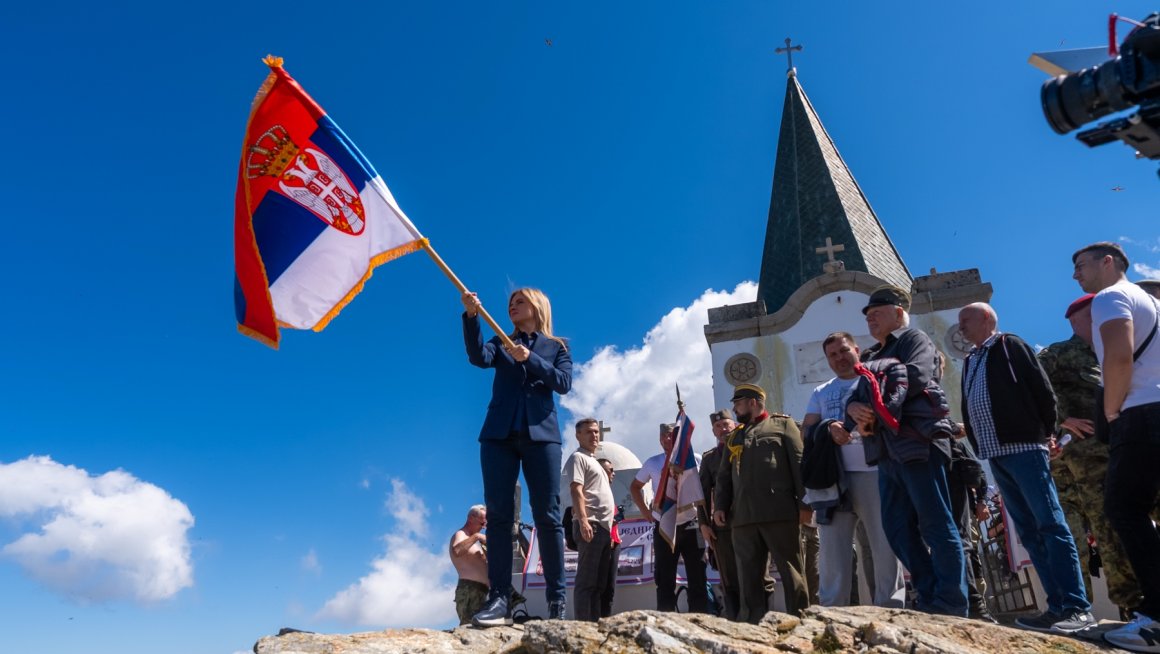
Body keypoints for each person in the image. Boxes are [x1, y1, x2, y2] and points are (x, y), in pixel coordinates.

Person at [958, 302, 1094, 633]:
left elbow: (1042, 390)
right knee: (1030, 532)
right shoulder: (970, 360)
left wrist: (1047, 433)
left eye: (966, 320)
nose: (960, 327)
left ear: (987, 319)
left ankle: (1076, 606)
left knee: (1050, 524)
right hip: (995, 453)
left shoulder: (1009, 345)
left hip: (1024, 448)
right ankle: (1057, 606)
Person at [848, 285, 967, 616]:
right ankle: (930, 594)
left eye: (877, 313)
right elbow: (854, 396)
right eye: (868, 316)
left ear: (898, 313)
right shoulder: (869, 356)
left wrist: (869, 398)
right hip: (886, 453)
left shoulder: (914, 341)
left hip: (918, 443)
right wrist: (854, 411)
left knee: (936, 524)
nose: (871, 319)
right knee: (897, 529)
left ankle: (952, 602)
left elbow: (914, 376)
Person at [461, 288, 572, 626]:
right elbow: (478, 357)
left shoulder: (558, 347)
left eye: (519, 301)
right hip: (498, 436)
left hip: (541, 437)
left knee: (548, 517)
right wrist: (471, 316)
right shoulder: (499, 340)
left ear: (537, 306)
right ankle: (498, 598)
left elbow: (563, 382)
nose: (512, 306)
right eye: (510, 302)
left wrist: (531, 359)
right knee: (497, 517)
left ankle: (556, 600)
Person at [1072, 242, 1160, 652]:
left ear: (1109, 263)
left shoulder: (1111, 296)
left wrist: (1110, 410)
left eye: (1081, 266)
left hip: (1139, 414)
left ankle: (1156, 619)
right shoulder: (1149, 300)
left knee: (1123, 508)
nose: (1077, 275)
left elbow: (1119, 357)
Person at [1039, 293, 1143, 616]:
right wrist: (1058, 422)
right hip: (1073, 463)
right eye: (1092, 315)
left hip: (1111, 454)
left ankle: (1134, 602)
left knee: (1117, 526)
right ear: (1076, 321)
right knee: (1082, 534)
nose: (1100, 320)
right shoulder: (1059, 353)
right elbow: (1030, 388)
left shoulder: (1109, 353)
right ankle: (1091, 607)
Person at [801, 332, 905, 609]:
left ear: (857, 350)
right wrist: (829, 426)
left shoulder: (874, 380)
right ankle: (833, 608)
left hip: (876, 472)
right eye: (832, 355)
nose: (839, 358)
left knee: (884, 543)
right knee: (833, 549)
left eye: (844, 351)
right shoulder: (821, 392)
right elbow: (806, 429)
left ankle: (891, 605)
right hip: (835, 477)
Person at [713, 384, 810, 621]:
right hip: (743, 518)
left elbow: (799, 465)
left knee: (792, 572)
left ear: (753, 401)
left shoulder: (782, 425)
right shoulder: (735, 436)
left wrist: (805, 504)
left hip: (780, 512)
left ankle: (800, 619)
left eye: (738, 403)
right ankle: (751, 625)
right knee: (748, 577)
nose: (735, 409)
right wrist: (720, 507)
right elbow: (724, 476)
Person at [630, 423, 709, 613]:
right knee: (664, 578)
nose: (668, 439)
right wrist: (646, 512)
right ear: (660, 439)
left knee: (698, 575)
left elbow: (706, 488)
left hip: (692, 523)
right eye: (665, 435)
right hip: (664, 524)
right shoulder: (653, 462)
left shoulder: (695, 459)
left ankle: (700, 619)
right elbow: (635, 487)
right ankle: (665, 620)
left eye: (673, 435)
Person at [563, 418, 616, 621]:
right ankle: (583, 626)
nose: (594, 435)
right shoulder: (578, 458)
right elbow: (576, 489)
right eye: (588, 432)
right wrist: (583, 520)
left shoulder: (595, 461)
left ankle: (593, 625)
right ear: (578, 436)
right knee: (587, 581)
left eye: (595, 432)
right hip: (590, 523)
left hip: (602, 527)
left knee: (599, 584)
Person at [699, 409, 741, 619]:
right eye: (718, 426)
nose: (723, 429)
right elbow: (703, 494)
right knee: (729, 578)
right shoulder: (709, 459)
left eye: (726, 424)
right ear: (713, 431)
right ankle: (735, 622)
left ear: (734, 424)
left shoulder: (747, 448)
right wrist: (704, 524)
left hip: (752, 519)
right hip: (722, 525)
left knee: (756, 574)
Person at [450, 505, 490, 625]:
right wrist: (477, 537)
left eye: (485, 524)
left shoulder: (473, 540)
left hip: (482, 591)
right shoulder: (461, 534)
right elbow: (457, 550)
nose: (483, 527)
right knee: (469, 628)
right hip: (470, 591)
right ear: (471, 518)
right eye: (481, 523)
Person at [598, 458, 622, 618]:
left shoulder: (609, 493)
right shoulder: (596, 492)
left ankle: (605, 619)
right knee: (601, 585)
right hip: (605, 542)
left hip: (615, 542)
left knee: (609, 587)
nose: (613, 473)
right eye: (609, 470)